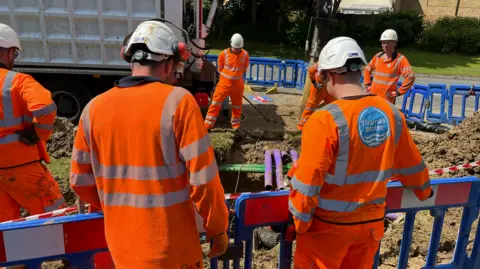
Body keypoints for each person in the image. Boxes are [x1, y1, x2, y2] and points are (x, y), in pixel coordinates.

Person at [70, 20, 229, 269]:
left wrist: (119, 210)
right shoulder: (178, 102)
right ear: (168, 65)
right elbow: (204, 181)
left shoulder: (93, 109)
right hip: (173, 252)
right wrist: (217, 228)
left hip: (121, 250)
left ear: (132, 61)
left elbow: (80, 182)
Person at [288, 36, 433, 269]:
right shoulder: (391, 113)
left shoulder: (324, 119)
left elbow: (308, 183)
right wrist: (425, 192)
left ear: (330, 75)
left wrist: (299, 224)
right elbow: (412, 165)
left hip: (328, 231)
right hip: (370, 228)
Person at [0, 23, 65, 223]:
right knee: (55, 218)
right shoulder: (18, 81)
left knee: (4, 229)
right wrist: (39, 134)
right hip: (21, 164)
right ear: (10, 53)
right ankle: (62, 254)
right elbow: (45, 107)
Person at [204, 33, 249, 130]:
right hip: (224, 84)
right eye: (235, 48)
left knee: (237, 107)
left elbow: (244, 68)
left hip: (238, 86)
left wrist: (235, 76)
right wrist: (230, 77)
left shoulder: (245, 54)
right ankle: (207, 125)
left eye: (238, 48)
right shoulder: (223, 54)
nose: (237, 50)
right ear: (231, 44)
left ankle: (236, 126)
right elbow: (220, 68)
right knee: (215, 104)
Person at [363, 29, 415, 104]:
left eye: (388, 42)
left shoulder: (400, 59)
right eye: (383, 42)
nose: (385, 45)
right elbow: (367, 69)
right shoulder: (378, 56)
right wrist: (367, 85)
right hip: (373, 97)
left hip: (387, 101)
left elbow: (410, 77)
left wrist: (398, 92)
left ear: (395, 43)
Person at [297, 62, 335, 131]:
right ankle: (302, 126)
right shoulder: (323, 62)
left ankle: (330, 126)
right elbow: (311, 71)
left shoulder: (332, 61)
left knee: (333, 106)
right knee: (310, 107)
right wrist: (314, 83)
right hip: (321, 88)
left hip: (327, 87)